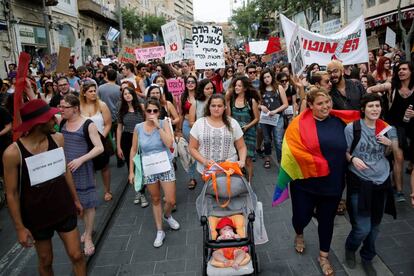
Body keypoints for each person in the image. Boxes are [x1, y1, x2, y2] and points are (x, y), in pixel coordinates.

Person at [272, 87, 359, 276]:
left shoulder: (340, 121)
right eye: (320, 103)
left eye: (327, 102)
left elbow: (354, 141)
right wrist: (316, 162)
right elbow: (290, 151)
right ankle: (299, 232)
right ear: (310, 105)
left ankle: (323, 257)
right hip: (305, 184)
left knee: (327, 220)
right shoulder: (298, 125)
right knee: (300, 217)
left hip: (333, 184)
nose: (326, 106)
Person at [3, 99, 86, 275]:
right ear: (38, 124)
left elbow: (65, 171)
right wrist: (19, 227)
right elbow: (11, 193)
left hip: (63, 206)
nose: (55, 120)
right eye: (50, 118)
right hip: (37, 215)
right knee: (46, 261)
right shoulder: (12, 153)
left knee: (77, 255)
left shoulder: (58, 138)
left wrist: (75, 200)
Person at [344, 93, 396, 275]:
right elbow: (345, 152)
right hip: (360, 184)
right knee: (362, 227)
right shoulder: (352, 128)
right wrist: (353, 159)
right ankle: (350, 248)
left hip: (381, 183)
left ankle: (367, 257)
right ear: (363, 109)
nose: (375, 109)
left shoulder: (387, 128)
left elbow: (396, 154)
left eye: (377, 106)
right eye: (371, 106)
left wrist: (390, 144)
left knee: (375, 227)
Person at [128, 98, 180, 248]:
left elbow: (169, 143)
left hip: (165, 165)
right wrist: (131, 171)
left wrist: (158, 126)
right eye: (149, 111)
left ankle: (167, 215)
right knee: (156, 198)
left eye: (155, 111)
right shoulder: (138, 127)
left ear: (159, 111)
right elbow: (133, 149)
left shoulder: (164, 123)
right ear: (144, 112)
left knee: (170, 200)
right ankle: (159, 230)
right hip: (149, 167)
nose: (152, 113)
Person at [59, 94, 104, 257]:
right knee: (74, 203)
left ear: (75, 108)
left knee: (88, 204)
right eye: (60, 106)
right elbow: (45, 112)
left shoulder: (88, 124)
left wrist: (81, 160)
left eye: (64, 107)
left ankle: (89, 235)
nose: (61, 109)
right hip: (65, 171)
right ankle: (86, 228)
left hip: (82, 169)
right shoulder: (62, 121)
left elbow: (99, 148)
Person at [189, 93, 247, 174]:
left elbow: (241, 147)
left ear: (225, 107)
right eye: (213, 106)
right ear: (209, 107)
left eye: (219, 106)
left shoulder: (233, 123)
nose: (216, 109)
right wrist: (204, 161)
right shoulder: (199, 123)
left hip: (229, 169)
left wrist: (242, 161)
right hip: (206, 170)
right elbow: (192, 148)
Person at [385, 62, 414, 204]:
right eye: (399, 69)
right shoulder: (392, 87)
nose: (401, 71)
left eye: (404, 69)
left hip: (411, 126)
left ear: (411, 71)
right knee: (399, 157)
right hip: (394, 126)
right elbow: (372, 88)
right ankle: (400, 191)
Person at [80, 81, 113, 202]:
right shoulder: (79, 107)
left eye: (95, 91)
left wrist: (102, 137)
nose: (93, 93)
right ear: (84, 93)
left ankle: (107, 190)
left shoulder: (102, 105)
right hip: (85, 142)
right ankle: (91, 193)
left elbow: (108, 123)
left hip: (101, 140)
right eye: (90, 91)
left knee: (104, 167)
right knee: (89, 168)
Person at [116, 86, 149, 207]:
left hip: (141, 138)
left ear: (133, 95)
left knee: (142, 165)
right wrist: (118, 146)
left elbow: (147, 123)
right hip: (127, 138)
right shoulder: (121, 110)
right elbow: (119, 129)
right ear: (123, 97)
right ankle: (138, 192)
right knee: (132, 166)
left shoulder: (141, 107)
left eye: (129, 93)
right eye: (125, 94)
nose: (127, 95)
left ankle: (141, 190)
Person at [226, 76, 260, 183]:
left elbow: (257, 118)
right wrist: (227, 99)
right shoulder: (232, 100)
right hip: (236, 134)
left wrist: (247, 127)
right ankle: (240, 181)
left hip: (249, 133)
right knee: (237, 159)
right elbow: (229, 117)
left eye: (239, 86)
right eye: (235, 85)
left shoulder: (251, 101)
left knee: (248, 159)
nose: (236, 87)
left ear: (245, 88)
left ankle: (249, 183)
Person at [258, 69, 288, 168]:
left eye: (268, 76)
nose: (267, 79)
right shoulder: (260, 89)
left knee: (278, 140)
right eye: (264, 77)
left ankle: (281, 161)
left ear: (272, 76)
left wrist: (275, 111)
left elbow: (285, 104)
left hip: (277, 117)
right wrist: (261, 107)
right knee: (266, 140)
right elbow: (257, 104)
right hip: (265, 119)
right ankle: (267, 158)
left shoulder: (279, 87)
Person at [179, 75, 198, 189]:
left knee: (200, 150)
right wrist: (179, 129)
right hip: (187, 125)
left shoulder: (200, 96)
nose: (190, 84)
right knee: (190, 151)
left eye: (192, 82)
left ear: (196, 84)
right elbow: (181, 114)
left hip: (199, 125)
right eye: (188, 82)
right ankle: (192, 177)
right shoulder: (183, 96)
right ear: (185, 84)